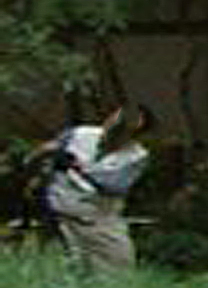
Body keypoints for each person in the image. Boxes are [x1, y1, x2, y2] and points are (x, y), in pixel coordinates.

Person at [34, 104, 154, 271]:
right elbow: (42, 151)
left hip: (99, 219)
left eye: (123, 129)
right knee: (61, 267)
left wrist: (76, 167)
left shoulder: (136, 156)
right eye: (113, 121)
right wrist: (49, 154)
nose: (113, 129)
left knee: (120, 267)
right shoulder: (80, 134)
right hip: (60, 212)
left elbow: (113, 186)